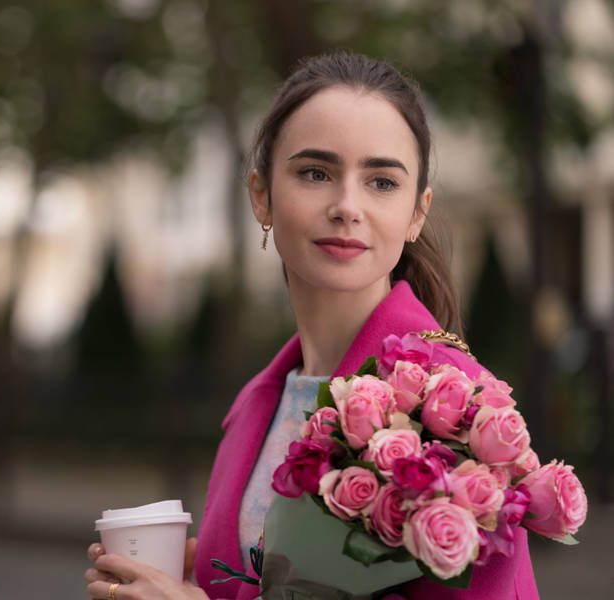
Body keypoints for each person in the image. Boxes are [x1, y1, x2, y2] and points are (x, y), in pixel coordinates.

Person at [85, 52, 539, 600]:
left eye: (381, 182)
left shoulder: (460, 412)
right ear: (261, 195)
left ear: (417, 213)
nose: (347, 206)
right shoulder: (259, 402)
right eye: (315, 173)